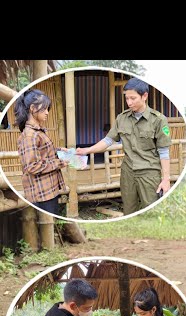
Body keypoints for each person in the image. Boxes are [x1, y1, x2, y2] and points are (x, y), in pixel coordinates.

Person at [76, 78, 172, 215]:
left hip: (149, 172)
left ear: (144, 96)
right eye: (127, 98)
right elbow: (108, 140)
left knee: (151, 211)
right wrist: (87, 150)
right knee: (129, 209)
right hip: (128, 172)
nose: (129, 102)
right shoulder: (122, 118)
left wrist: (166, 179)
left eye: (133, 98)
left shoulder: (158, 119)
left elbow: (163, 151)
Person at [14, 89, 68, 216]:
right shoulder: (30, 136)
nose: (47, 113)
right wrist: (58, 163)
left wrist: (59, 151)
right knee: (45, 230)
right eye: (44, 109)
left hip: (47, 192)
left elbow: (41, 153)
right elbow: (32, 166)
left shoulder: (36, 132)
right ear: (32, 108)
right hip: (41, 195)